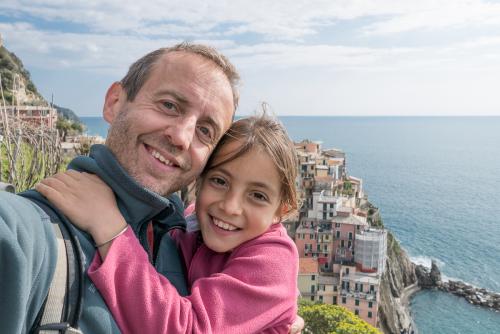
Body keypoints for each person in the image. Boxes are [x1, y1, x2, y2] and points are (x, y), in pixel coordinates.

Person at [0, 42, 303, 333]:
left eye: (205, 131)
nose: (182, 137)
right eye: (169, 105)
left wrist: (111, 229)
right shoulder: (28, 233)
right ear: (114, 102)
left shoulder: (175, 234)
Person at [37, 114, 300, 333]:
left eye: (257, 196)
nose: (230, 206)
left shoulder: (274, 259)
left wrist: (110, 228)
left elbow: (187, 328)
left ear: (281, 210)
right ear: (199, 180)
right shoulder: (190, 222)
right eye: (219, 181)